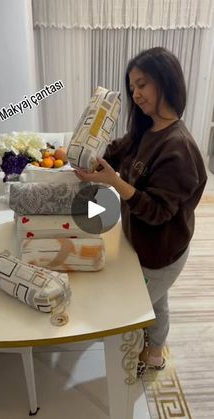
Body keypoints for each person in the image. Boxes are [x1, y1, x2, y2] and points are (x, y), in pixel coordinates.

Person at [75, 47, 207, 374]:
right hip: (142, 242)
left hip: (161, 251)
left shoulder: (179, 148)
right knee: (157, 301)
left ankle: (132, 364)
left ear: (166, 82)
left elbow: (158, 211)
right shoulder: (147, 128)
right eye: (133, 86)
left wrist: (113, 182)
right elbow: (118, 152)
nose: (136, 94)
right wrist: (90, 157)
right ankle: (157, 353)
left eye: (143, 84)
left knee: (133, 307)